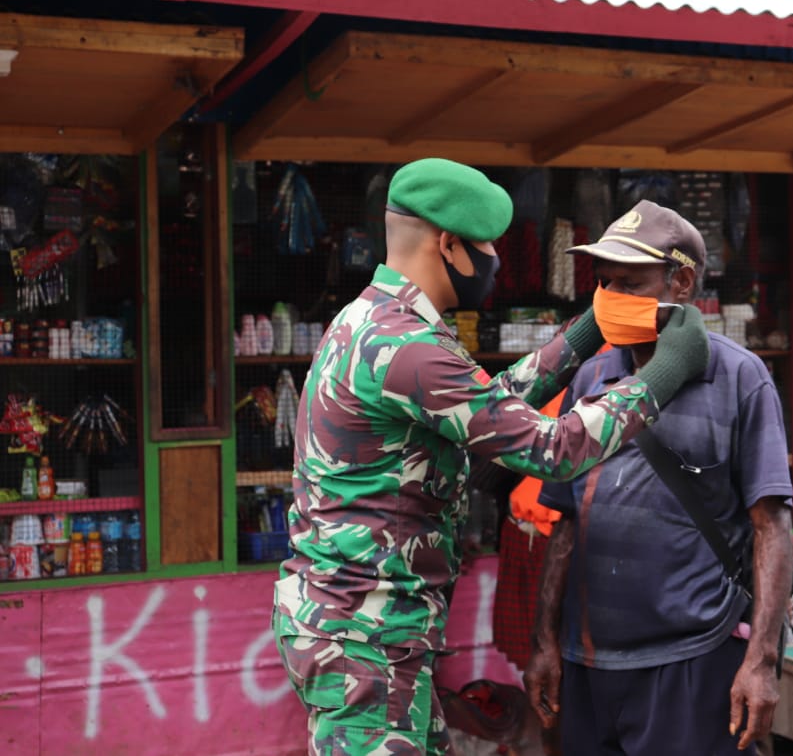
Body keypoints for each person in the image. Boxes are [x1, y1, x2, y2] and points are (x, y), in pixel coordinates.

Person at [272, 159, 710, 756]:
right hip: (365, 636)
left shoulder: (368, 321)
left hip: (363, 625)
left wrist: (583, 336)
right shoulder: (408, 346)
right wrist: (661, 376)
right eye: (484, 246)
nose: (494, 260)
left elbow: (485, 408)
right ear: (448, 244)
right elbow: (550, 449)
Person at [523, 200, 793, 756]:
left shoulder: (740, 376)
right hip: (587, 663)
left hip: (691, 659)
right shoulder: (590, 376)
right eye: (603, 283)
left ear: (683, 281)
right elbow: (565, 519)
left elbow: (772, 527)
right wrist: (545, 641)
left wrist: (762, 662)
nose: (610, 298)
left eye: (630, 282)